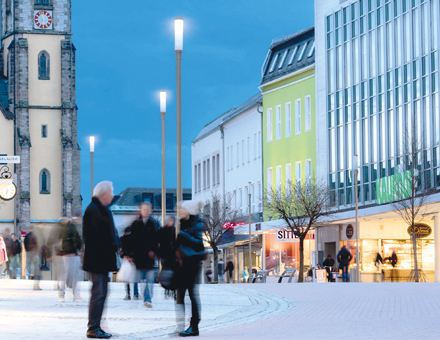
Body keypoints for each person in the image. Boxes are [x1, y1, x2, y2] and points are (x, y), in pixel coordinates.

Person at [83, 181, 119, 339]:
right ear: (103, 194)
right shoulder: (94, 210)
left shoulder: (100, 209)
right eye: (111, 193)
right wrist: (112, 246)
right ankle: (93, 327)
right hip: (98, 260)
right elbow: (95, 237)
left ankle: (96, 325)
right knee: (98, 293)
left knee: (101, 293)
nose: (112, 195)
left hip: (101, 259)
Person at [175, 200, 205, 337]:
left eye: (182, 209)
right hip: (183, 264)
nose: (180, 211)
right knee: (180, 295)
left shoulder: (197, 224)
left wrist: (183, 235)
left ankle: (194, 326)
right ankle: (181, 325)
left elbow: (199, 244)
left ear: (189, 211)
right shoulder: (182, 224)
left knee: (192, 295)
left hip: (192, 264)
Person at [127, 202, 159, 308]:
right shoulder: (136, 224)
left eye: (148, 210)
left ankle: (147, 299)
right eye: (144, 210)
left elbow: (156, 240)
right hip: (139, 257)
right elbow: (131, 240)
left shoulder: (153, 224)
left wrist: (155, 251)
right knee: (142, 279)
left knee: (149, 280)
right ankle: (143, 296)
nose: (146, 212)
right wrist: (130, 254)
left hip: (149, 257)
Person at [59, 217, 83, 302]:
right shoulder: (71, 227)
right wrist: (72, 251)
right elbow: (70, 240)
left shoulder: (72, 227)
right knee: (69, 274)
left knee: (75, 274)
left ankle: (75, 294)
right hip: (70, 254)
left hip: (73, 253)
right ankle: (65, 294)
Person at [156, 216, 176, 300]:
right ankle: (167, 289)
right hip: (164, 255)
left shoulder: (175, 231)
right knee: (166, 272)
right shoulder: (162, 231)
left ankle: (172, 290)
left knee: (173, 272)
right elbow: (157, 242)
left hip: (172, 255)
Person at [119, 226, 138, 301]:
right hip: (133, 259)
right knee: (134, 277)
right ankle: (135, 294)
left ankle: (128, 294)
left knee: (127, 277)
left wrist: (125, 256)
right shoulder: (135, 239)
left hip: (126, 259)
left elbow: (121, 250)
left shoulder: (122, 239)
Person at [24, 224, 45, 290]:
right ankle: (35, 282)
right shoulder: (35, 236)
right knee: (37, 267)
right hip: (35, 252)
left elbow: (25, 243)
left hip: (29, 252)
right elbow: (37, 244)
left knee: (31, 265)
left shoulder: (27, 235)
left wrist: (27, 250)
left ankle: (31, 275)